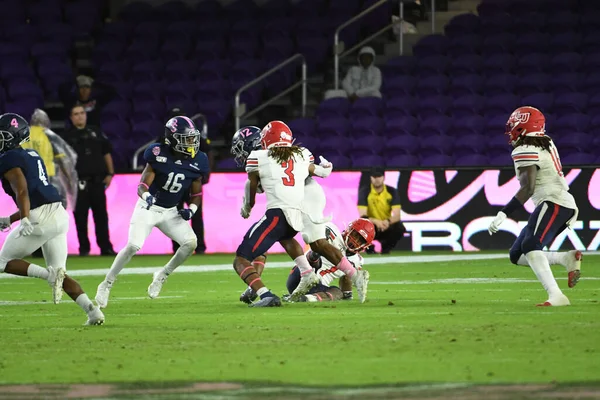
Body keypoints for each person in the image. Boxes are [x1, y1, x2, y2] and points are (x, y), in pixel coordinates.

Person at [231, 124, 369, 305]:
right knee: (287, 236)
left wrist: (246, 206)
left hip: (304, 197)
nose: (240, 155)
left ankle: (271, 285)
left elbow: (254, 187)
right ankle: (310, 273)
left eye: (241, 148)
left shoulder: (259, 158)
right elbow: (321, 171)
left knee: (314, 242)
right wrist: (326, 167)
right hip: (302, 197)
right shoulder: (296, 153)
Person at [0, 113, 105, 325]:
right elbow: (40, 194)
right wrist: (11, 219)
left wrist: (26, 219)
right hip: (57, 213)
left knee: (2, 262)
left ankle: (48, 276)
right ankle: (94, 312)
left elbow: (23, 191)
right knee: (60, 273)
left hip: (39, 217)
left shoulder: (8, 158)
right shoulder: (32, 154)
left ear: (11, 136)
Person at [95, 116, 209, 308]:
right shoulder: (157, 153)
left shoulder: (199, 160)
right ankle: (106, 284)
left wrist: (193, 210)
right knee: (132, 246)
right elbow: (142, 184)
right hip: (148, 207)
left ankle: (162, 275)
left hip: (170, 211)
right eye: (185, 138)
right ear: (172, 138)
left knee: (191, 243)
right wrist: (146, 195)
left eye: (192, 138)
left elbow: (196, 192)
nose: (190, 143)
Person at [488, 106, 582, 307]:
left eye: (514, 125)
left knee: (531, 245)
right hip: (557, 201)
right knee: (517, 254)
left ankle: (557, 296)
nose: (511, 130)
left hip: (554, 201)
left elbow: (527, 188)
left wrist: (503, 214)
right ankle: (565, 258)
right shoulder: (544, 142)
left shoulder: (525, 149)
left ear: (523, 126)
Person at [22, 109, 78, 258]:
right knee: (52, 216)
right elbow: (66, 159)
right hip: (47, 179)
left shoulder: (24, 134)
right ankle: (51, 249)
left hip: (27, 180)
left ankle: (35, 249)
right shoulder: (49, 135)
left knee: (33, 215)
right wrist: (69, 181)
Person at [62, 105, 116, 256]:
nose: (79, 116)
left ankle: (106, 247)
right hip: (78, 182)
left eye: (81, 113)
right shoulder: (66, 137)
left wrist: (110, 173)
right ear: (71, 118)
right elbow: (62, 161)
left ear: (85, 115)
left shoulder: (96, 132)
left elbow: (106, 153)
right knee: (80, 217)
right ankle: (84, 248)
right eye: (76, 114)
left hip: (97, 181)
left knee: (101, 216)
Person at [159, 107, 212, 255]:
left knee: (195, 212)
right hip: (174, 182)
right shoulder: (164, 140)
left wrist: (206, 172)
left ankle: (199, 246)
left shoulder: (192, 135)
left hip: (191, 180)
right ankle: (178, 246)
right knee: (174, 215)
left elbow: (207, 151)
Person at [284, 218, 375, 302]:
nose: (355, 240)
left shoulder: (357, 260)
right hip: (300, 273)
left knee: (339, 292)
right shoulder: (332, 231)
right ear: (349, 229)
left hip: (317, 287)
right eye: (355, 235)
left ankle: (305, 298)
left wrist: (348, 295)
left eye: (360, 240)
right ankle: (314, 256)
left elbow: (346, 278)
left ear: (365, 246)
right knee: (337, 292)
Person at [358, 168, 406, 254]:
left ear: (383, 177)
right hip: (372, 226)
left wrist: (387, 221)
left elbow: (397, 215)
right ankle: (369, 247)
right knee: (361, 226)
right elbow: (363, 215)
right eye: (374, 177)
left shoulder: (391, 191)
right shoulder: (365, 191)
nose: (377, 179)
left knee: (400, 228)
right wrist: (376, 221)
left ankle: (386, 247)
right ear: (371, 178)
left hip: (386, 225)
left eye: (379, 176)